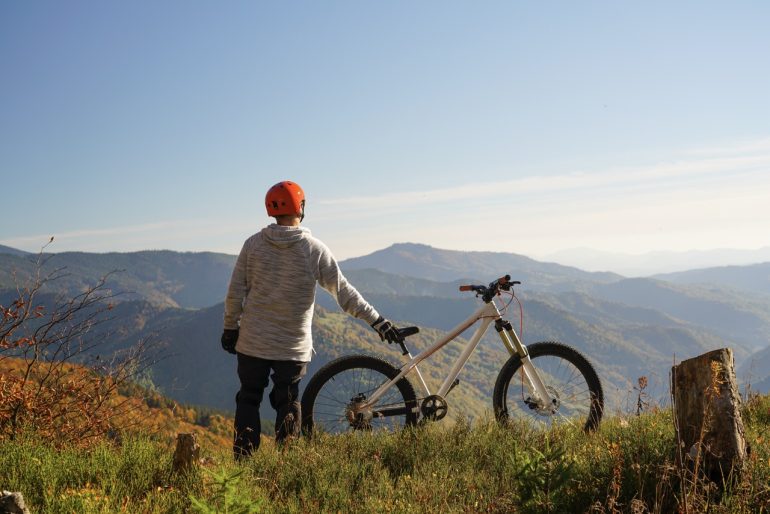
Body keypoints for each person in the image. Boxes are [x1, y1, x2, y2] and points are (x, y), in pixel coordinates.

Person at [221, 180, 402, 459]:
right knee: (289, 401)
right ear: (301, 207)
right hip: (292, 347)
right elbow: (344, 293)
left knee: (248, 398)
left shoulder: (252, 245)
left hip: (252, 341)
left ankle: (243, 464)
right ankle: (288, 462)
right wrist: (377, 320)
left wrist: (230, 327)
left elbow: (235, 292)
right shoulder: (313, 249)